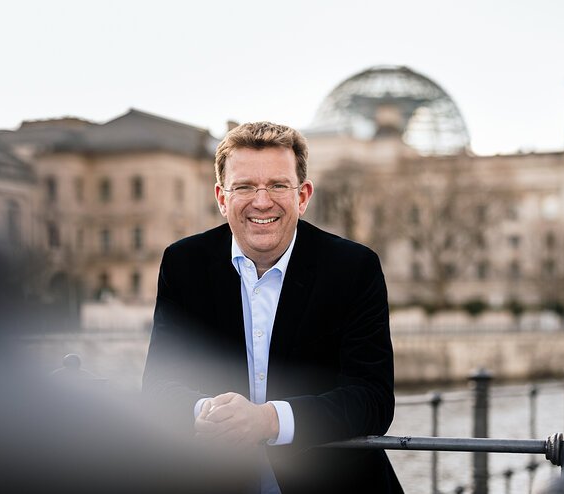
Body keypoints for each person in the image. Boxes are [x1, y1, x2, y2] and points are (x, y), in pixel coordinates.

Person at [142, 122, 402, 493]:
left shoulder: (353, 267)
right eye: (245, 186)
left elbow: (372, 399)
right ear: (221, 197)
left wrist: (268, 421)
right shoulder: (184, 264)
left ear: (303, 195)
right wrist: (211, 415)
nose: (261, 201)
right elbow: (158, 387)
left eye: (278, 185)